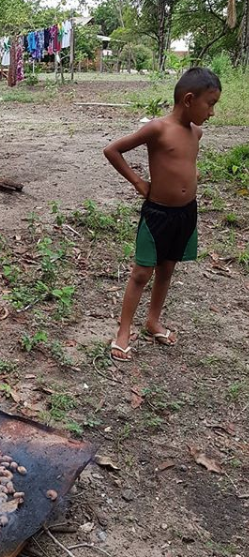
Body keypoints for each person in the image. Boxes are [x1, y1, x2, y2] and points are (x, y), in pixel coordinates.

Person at [103, 67, 222, 362]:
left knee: (167, 270)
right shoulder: (157, 128)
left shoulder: (197, 132)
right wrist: (138, 181)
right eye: (210, 104)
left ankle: (152, 321)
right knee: (142, 273)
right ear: (189, 99)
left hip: (185, 214)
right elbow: (113, 150)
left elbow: (185, 164)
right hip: (157, 214)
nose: (212, 112)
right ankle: (123, 331)